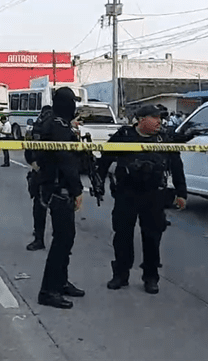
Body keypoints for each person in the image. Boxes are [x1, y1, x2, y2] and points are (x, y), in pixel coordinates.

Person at [96, 104, 187, 295]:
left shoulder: (164, 138)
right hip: (126, 193)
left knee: (152, 237)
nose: (159, 121)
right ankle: (121, 274)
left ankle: (151, 277)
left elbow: (176, 165)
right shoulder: (124, 135)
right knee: (122, 236)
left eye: (160, 118)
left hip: (153, 194)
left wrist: (181, 192)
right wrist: (98, 185)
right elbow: (104, 159)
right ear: (141, 119)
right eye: (154, 117)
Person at [33, 88, 85, 309]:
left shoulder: (48, 121)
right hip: (59, 189)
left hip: (49, 185)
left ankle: (60, 281)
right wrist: (78, 189)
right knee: (63, 240)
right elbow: (66, 161)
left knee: (66, 238)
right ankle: (49, 290)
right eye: (72, 102)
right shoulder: (59, 126)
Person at [23, 105, 53, 251]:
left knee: (40, 207)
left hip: (41, 172)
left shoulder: (38, 126)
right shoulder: (57, 125)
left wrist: (34, 163)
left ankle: (39, 238)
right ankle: (58, 240)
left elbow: (28, 149)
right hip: (51, 173)